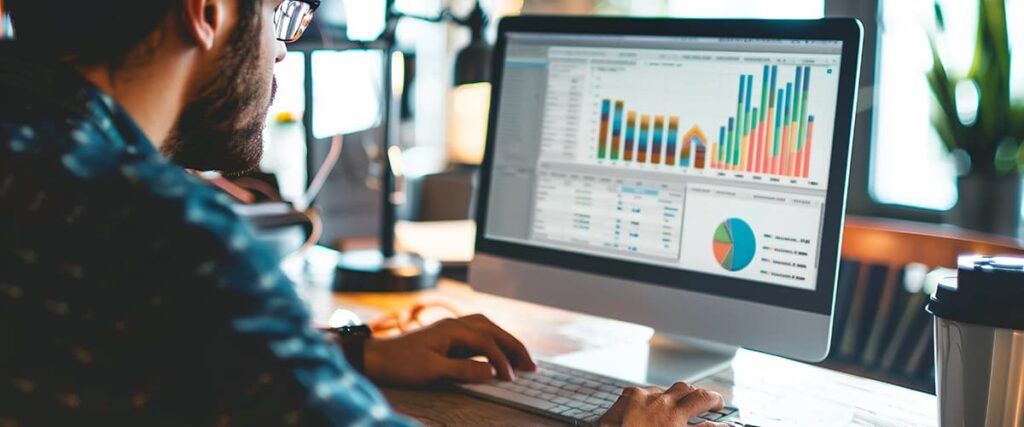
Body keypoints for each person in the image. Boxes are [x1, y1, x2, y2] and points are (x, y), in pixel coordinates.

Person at [0, 0, 730, 425]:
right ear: (209, 11)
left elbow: (155, 338)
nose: (284, 51)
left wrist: (356, 350)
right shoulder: (163, 235)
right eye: (284, 12)